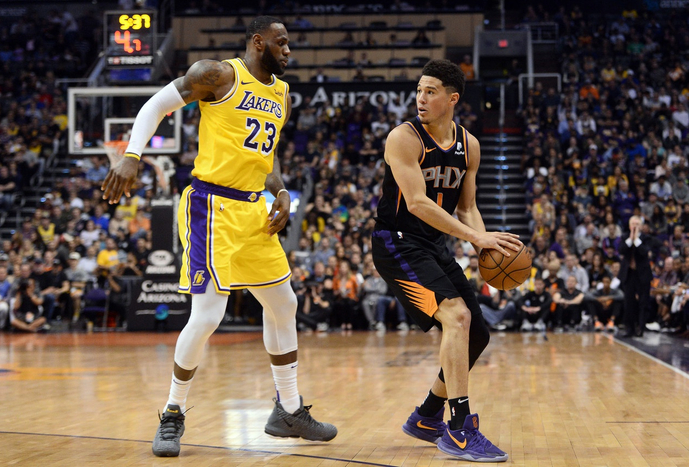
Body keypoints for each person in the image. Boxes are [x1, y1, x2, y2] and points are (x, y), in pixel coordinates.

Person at [100, 16, 337, 458]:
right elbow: (155, 105)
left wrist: (280, 190)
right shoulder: (219, 74)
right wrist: (131, 155)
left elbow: (267, 154)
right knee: (208, 315)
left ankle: (288, 411)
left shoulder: (282, 94)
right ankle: (172, 413)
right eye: (282, 43)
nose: (289, 51)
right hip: (210, 206)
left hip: (253, 209)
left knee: (284, 303)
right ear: (258, 42)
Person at [371, 59, 521, 462]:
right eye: (419, 90)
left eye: (431, 91)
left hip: (434, 245)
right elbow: (417, 203)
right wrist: (474, 237)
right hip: (396, 243)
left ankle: (426, 417)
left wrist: (486, 247)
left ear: (452, 98)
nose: (421, 98)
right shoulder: (404, 138)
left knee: (477, 334)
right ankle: (459, 429)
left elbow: (467, 207)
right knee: (456, 317)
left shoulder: (469, 145)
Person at [619, 215, 652, 337]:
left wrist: (636, 239)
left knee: (643, 302)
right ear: (629, 226)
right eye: (633, 224)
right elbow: (621, 250)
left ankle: (641, 328)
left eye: (637, 224)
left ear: (641, 226)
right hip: (629, 274)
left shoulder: (646, 238)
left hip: (642, 274)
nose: (635, 226)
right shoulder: (624, 237)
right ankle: (630, 328)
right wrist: (630, 239)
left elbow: (644, 251)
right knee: (629, 302)